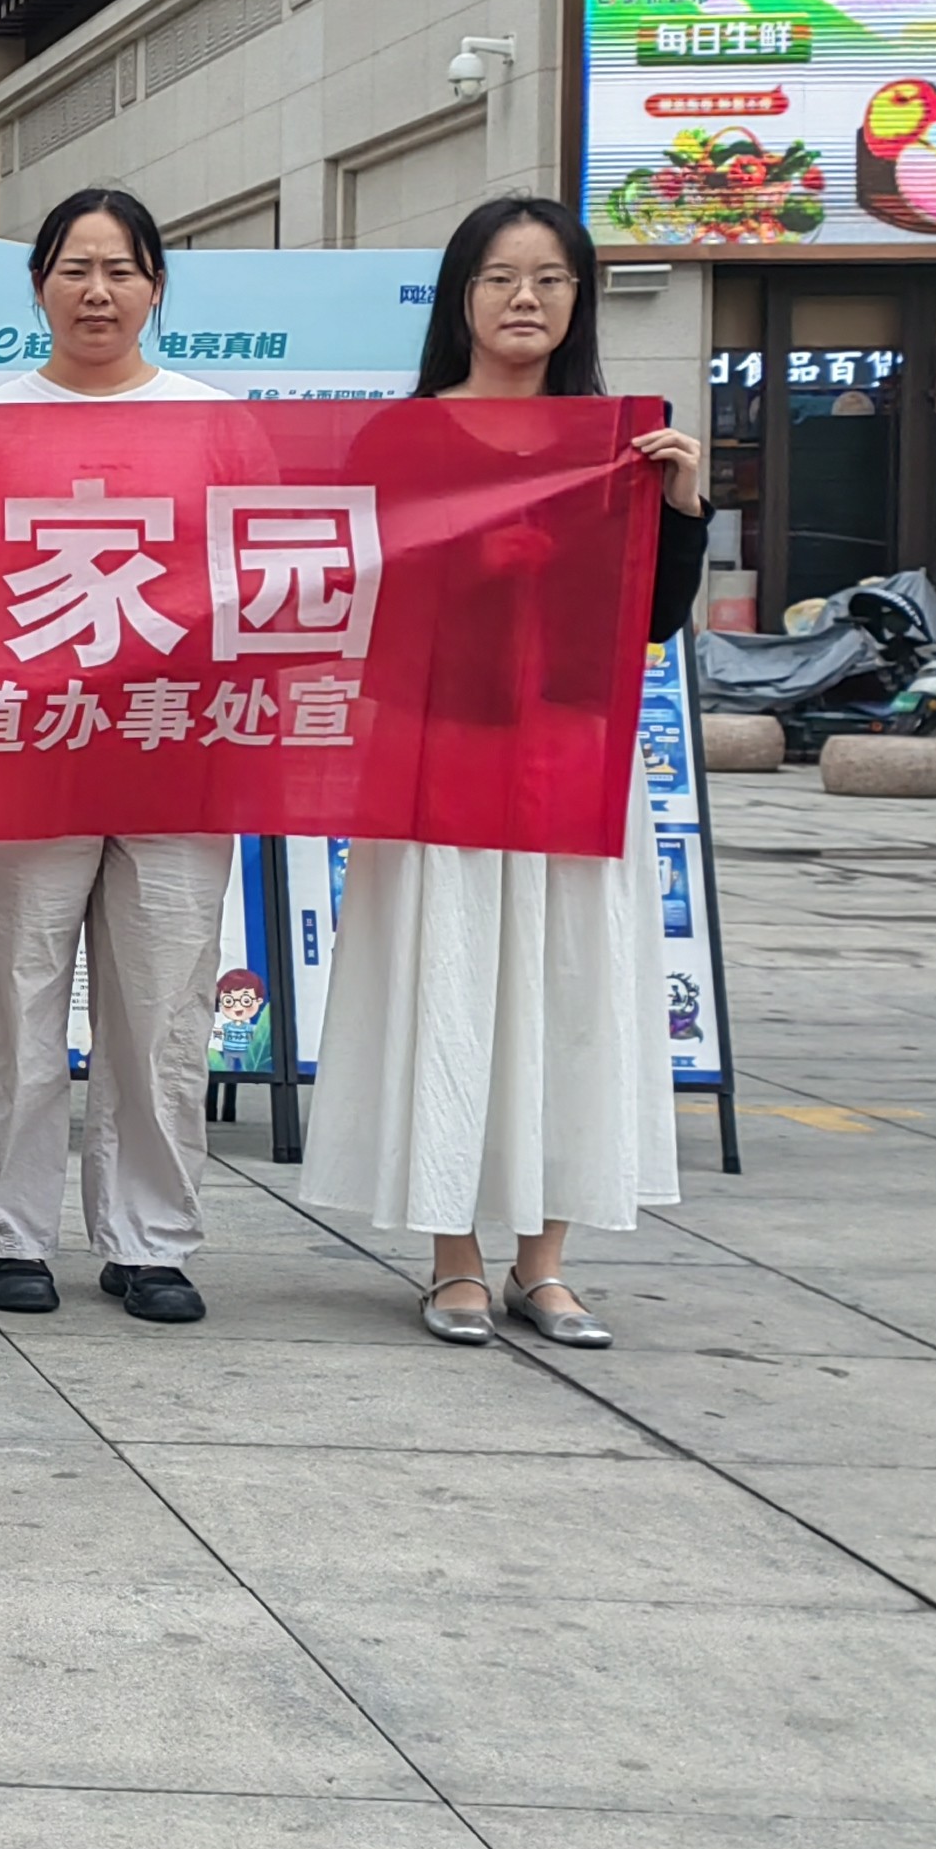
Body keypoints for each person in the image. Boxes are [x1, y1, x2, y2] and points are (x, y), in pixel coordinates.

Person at [300, 194, 708, 1348]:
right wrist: (486, 563)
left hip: (573, 760)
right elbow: (371, 611)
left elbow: (650, 623)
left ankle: (546, 1262)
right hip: (444, 756)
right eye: (498, 277)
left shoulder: (620, 441)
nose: (524, 299)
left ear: (579, 300)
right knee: (448, 990)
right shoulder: (402, 439)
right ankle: (452, 1259)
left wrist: (680, 507)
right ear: (460, 297)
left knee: (569, 996)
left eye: (549, 279)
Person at [0, 187, 234, 1327]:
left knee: (162, 1009)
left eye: (120, 270)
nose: (97, 292)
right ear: (38, 288)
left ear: (155, 287)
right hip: (24, 756)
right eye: (74, 269)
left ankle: (149, 1242)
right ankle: (7, 1234)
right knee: (8, 1000)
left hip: (174, 755)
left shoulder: (216, 423)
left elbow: (268, 587)